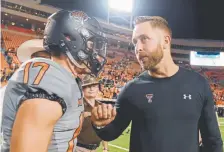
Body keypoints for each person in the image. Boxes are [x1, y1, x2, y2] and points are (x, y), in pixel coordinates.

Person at [91, 16, 223, 152]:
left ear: (166, 41)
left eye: (144, 39)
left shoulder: (198, 84)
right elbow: (111, 133)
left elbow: (212, 141)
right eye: (135, 42)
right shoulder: (132, 89)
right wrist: (100, 125)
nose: (138, 48)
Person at [1, 10, 107, 152]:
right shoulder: (50, 81)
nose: (94, 51)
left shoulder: (64, 78)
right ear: (74, 41)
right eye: (91, 44)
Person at [76, 75, 108, 152]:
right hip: (77, 148)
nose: (91, 89)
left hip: (95, 149)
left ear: (98, 89)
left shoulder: (101, 106)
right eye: (88, 86)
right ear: (82, 89)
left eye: (94, 86)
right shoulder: (77, 105)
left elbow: (104, 130)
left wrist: (105, 148)